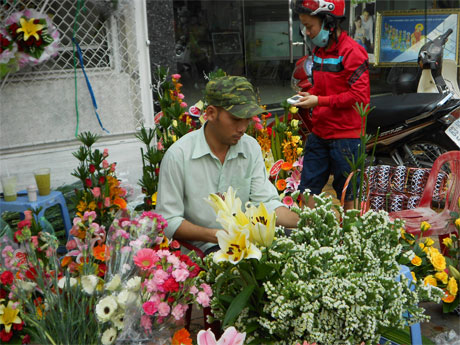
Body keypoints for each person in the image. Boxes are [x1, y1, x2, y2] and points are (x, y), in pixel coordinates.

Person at [156, 76, 299, 255]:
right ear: (210, 113)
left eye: (247, 119)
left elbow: (266, 203)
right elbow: (168, 221)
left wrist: (303, 221)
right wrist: (216, 236)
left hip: (249, 244)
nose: (243, 127)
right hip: (201, 250)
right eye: (235, 119)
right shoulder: (179, 155)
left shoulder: (250, 147)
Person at [290, 0, 371, 210]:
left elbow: (359, 96)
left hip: (347, 137)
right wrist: (309, 95)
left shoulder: (353, 52)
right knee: (307, 189)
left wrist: (319, 101)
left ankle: (352, 237)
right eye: (304, 27)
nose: (307, 32)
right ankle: (309, 234)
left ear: (328, 23)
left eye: (309, 26)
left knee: (349, 192)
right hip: (320, 132)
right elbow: (322, 87)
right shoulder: (319, 51)